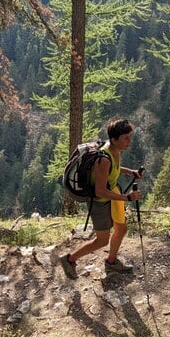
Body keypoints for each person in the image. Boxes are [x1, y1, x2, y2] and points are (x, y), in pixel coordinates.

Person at [60, 119, 142, 280]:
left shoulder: (115, 151)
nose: (129, 141)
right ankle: (69, 259)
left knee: (121, 229)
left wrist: (130, 172)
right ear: (114, 139)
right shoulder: (103, 159)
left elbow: (114, 169)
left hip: (112, 196)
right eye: (126, 138)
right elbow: (100, 190)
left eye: (130, 137)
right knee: (102, 240)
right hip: (100, 202)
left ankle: (111, 261)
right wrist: (126, 197)